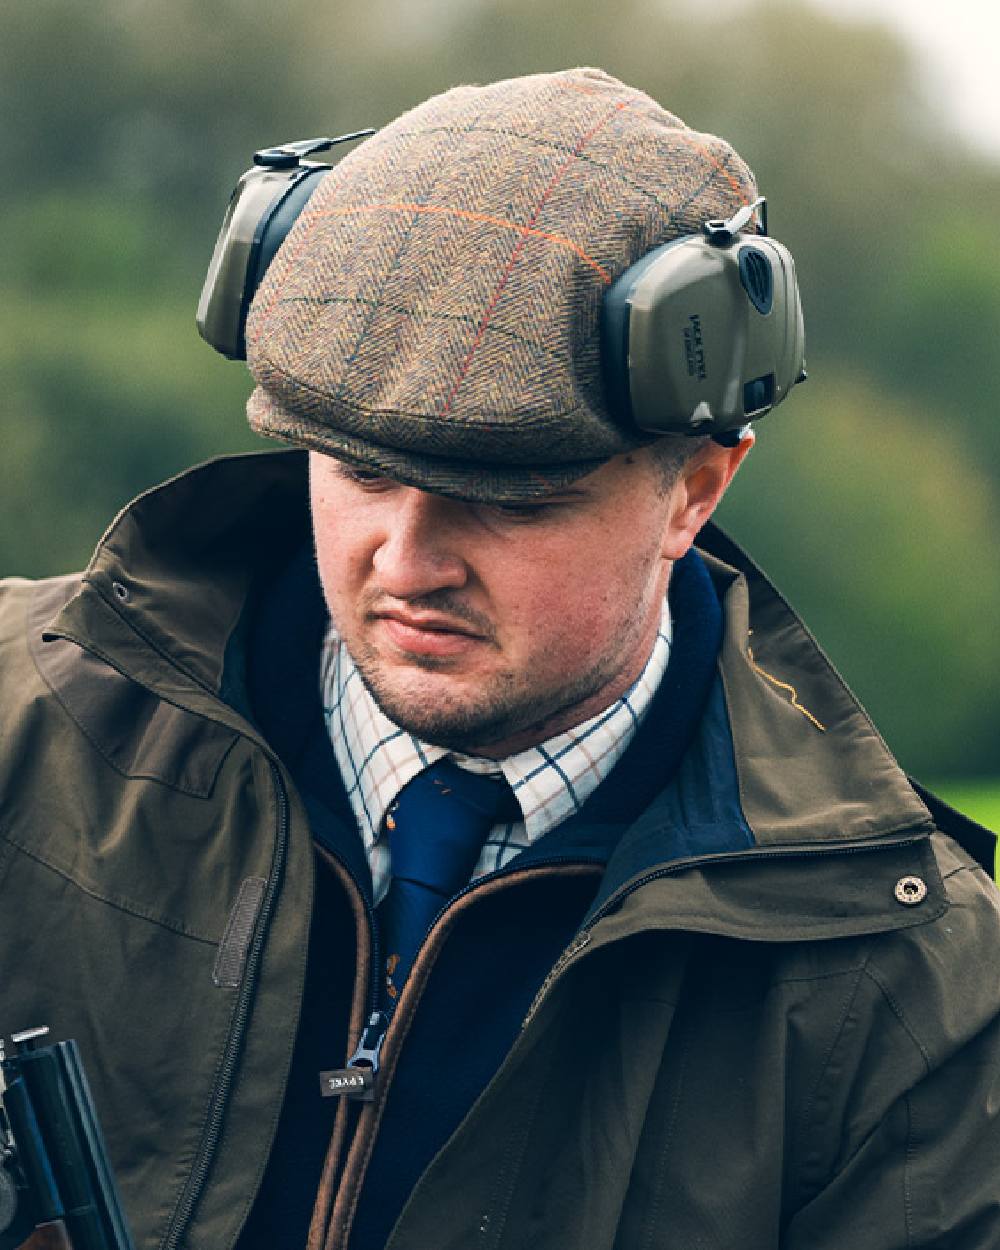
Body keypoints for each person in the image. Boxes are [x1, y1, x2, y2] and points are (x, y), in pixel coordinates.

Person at [1, 67, 998, 1250]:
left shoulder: (908, 985)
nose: (407, 560)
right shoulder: (23, 718)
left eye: (510, 501)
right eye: (358, 469)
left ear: (692, 488)